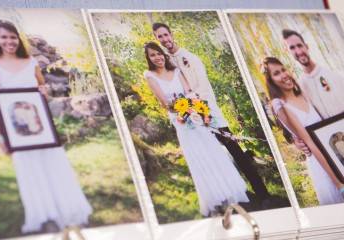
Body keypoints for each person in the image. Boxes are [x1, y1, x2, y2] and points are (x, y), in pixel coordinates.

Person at [0, 20, 92, 233]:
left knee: (54, 164)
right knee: (29, 169)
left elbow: (42, 88)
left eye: (13, 37)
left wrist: (44, 92)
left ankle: (68, 211)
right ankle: (44, 215)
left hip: (41, 125)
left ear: (18, 39)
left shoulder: (31, 61)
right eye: (4, 37)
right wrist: (0, 136)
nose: (9, 41)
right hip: (16, 131)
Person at [152, 22, 271, 202]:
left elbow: (203, 87)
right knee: (212, 155)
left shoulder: (190, 57)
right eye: (160, 37)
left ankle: (262, 193)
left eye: (166, 35)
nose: (164, 39)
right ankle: (233, 192)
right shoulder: (164, 63)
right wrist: (186, 112)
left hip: (209, 114)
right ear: (156, 39)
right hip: (190, 120)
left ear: (171, 34)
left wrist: (198, 109)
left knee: (234, 149)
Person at [143, 41, 249, 216]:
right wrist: (182, 108)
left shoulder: (176, 71)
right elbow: (165, 104)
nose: (157, 57)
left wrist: (194, 107)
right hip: (181, 122)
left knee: (212, 152)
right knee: (198, 156)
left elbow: (189, 91)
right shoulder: (150, 76)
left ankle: (228, 190)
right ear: (149, 58)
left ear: (163, 54)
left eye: (159, 53)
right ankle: (214, 197)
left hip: (196, 117)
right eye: (152, 55)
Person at [262, 56, 344, 205]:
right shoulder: (283, 106)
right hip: (322, 166)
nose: (283, 75)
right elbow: (309, 142)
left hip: (336, 153)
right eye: (276, 73)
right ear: (271, 81)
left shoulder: (303, 93)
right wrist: (338, 183)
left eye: (283, 69)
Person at [282, 29, 344, 155]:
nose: (298, 51)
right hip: (333, 147)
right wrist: (298, 141)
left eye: (300, 45)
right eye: (292, 48)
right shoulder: (298, 88)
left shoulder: (335, 74)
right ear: (288, 52)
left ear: (307, 46)